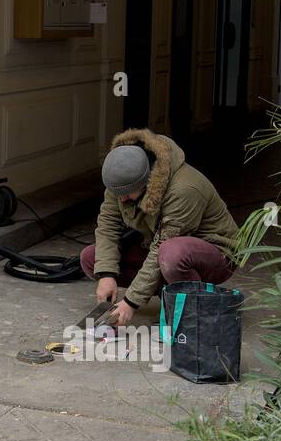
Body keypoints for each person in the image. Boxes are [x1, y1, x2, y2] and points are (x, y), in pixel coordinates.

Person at [80, 128, 238, 326]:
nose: (121, 199)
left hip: (216, 255)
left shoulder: (185, 189)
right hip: (160, 248)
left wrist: (131, 301)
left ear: (146, 182)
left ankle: (192, 309)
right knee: (91, 258)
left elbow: (162, 246)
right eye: (117, 193)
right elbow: (108, 224)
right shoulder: (122, 179)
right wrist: (106, 274)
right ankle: (169, 293)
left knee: (171, 253)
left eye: (127, 194)